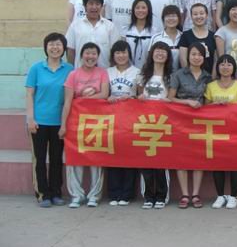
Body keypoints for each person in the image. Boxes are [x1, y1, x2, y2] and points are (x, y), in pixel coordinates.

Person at [25, 33, 73, 208]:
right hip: (38, 122)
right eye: (51, 44)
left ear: (64, 48)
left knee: (56, 159)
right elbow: (29, 94)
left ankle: (56, 192)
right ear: (46, 47)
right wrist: (30, 119)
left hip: (59, 123)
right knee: (39, 159)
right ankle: (42, 193)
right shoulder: (36, 68)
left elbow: (70, 96)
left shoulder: (69, 69)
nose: (55, 48)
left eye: (58, 44)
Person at [59, 42, 109, 208]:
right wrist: (63, 125)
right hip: (76, 122)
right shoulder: (73, 75)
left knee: (96, 158)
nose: (90, 57)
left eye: (94, 54)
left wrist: (83, 99)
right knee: (76, 158)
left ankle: (94, 195)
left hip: (97, 122)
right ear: (81, 56)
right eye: (87, 53)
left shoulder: (102, 73)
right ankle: (76, 195)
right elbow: (68, 101)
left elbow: (104, 94)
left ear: (98, 56)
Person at [168, 42, 213, 209]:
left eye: (199, 54)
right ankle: (184, 194)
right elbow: (170, 98)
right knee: (182, 157)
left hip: (200, 122)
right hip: (181, 120)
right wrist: (186, 102)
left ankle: (195, 194)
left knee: (198, 157)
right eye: (193, 54)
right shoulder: (178, 74)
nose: (196, 57)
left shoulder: (208, 77)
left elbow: (208, 100)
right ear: (188, 56)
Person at [205, 55, 237, 209]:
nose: (225, 67)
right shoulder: (211, 86)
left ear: (233, 68)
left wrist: (229, 106)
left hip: (235, 130)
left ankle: (233, 196)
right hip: (216, 131)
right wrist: (215, 105)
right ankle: (220, 195)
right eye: (222, 64)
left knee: (235, 163)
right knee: (218, 163)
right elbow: (204, 108)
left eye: (229, 64)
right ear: (217, 67)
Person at [137, 41, 173, 209]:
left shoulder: (171, 76)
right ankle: (148, 196)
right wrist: (139, 98)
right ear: (151, 53)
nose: (160, 54)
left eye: (163, 51)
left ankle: (161, 195)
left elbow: (172, 98)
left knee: (161, 162)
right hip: (145, 123)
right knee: (146, 162)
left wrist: (168, 101)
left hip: (163, 124)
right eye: (157, 50)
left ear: (168, 55)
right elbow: (137, 97)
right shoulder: (142, 75)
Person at [106, 40, 140, 206]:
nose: (121, 56)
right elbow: (103, 93)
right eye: (118, 53)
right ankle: (114, 193)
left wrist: (132, 97)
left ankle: (127, 194)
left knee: (129, 154)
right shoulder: (107, 72)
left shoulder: (137, 72)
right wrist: (108, 98)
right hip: (112, 119)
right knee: (112, 154)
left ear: (129, 54)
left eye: (124, 52)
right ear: (113, 55)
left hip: (130, 118)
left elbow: (141, 96)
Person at [66, 0, 120, 69]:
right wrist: (72, 70)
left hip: (105, 73)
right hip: (80, 73)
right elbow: (70, 50)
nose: (94, 7)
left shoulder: (110, 27)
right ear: (85, 6)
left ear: (101, 6)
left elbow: (115, 52)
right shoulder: (75, 26)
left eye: (97, 4)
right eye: (91, 3)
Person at [178, 3, 217, 76]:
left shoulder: (213, 36)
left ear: (207, 15)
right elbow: (183, 59)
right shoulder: (185, 35)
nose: (198, 16)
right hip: (190, 77)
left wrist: (212, 77)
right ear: (191, 16)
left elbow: (216, 60)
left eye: (201, 13)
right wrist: (190, 77)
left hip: (208, 77)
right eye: (195, 14)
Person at [215, 0, 237, 72]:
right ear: (228, 12)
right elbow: (221, 58)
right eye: (233, 9)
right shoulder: (221, 32)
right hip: (228, 73)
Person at [149, 5, 183, 73]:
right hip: (162, 75)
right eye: (168, 16)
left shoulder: (184, 36)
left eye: (173, 16)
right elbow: (150, 60)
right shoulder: (156, 38)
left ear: (179, 18)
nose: (171, 18)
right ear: (163, 19)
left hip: (180, 76)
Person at [125, 0, 154, 69]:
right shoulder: (126, 30)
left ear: (148, 10)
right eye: (137, 8)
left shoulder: (154, 32)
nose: (140, 10)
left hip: (147, 70)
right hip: (128, 70)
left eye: (143, 8)